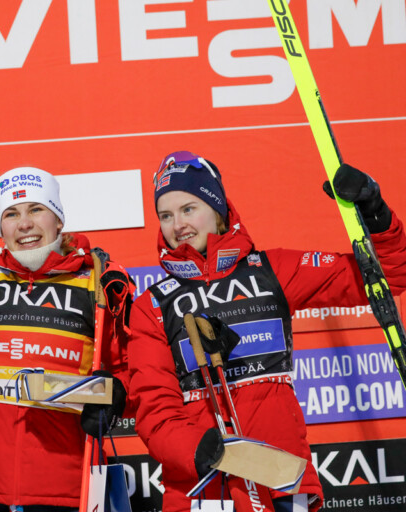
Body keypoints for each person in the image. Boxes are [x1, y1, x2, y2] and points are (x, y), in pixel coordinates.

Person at [128, 151, 406, 512]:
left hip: (279, 479)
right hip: (204, 489)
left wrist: (375, 213)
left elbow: (386, 276)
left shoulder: (271, 270)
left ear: (218, 208)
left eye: (188, 208)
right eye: (166, 215)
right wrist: (198, 449)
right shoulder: (152, 305)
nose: (178, 224)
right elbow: (154, 409)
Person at [0, 167, 132, 511]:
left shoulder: (97, 283)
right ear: (1, 227)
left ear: (58, 220)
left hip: (68, 488)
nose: (24, 224)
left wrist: (114, 393)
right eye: (11, 214)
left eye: (36, 210)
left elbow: (130, 369)